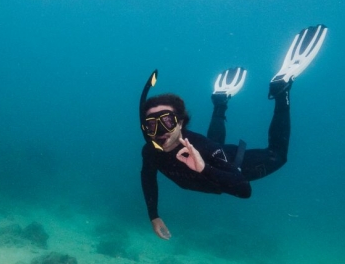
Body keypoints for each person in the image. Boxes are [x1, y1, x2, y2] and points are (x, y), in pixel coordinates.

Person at [139, 25, 328, 239]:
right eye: (152, 124)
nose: (160, 131)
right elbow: (147, 176)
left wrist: (203, 169)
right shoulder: (151, 151)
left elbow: (244, 190)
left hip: (234, 164)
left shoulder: (204, 149)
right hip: (211, 153)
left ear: (181, 123)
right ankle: (220, 101)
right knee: (213, 142)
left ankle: (281, 90)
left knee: (278, 155)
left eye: (167, 121)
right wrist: (153, 215)